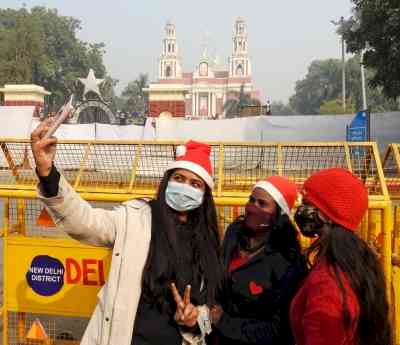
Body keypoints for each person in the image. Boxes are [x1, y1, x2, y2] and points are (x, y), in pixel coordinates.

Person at [31, 119, 224, 345]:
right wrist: (48, 173)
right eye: (179, 179)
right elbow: (85, 222)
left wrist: (194, 318)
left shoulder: (208, 242)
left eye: (195, 184)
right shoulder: (136, 217)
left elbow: (211, 309)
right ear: (166, 182)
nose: (184, 187)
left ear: (204, 196)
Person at [290, 168, 393, 345]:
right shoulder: (357, 262)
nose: (300, 209)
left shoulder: (327, 282)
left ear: (328, 215)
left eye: (307, 203)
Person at [210, 176, 306, 345]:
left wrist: (223, 321)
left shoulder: (287, 261)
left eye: (262, 204)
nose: (252, 208)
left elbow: (278, 328)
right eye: (251, 200)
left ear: (279, 214)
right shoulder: (234, 232)